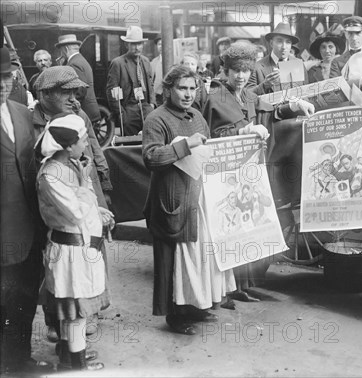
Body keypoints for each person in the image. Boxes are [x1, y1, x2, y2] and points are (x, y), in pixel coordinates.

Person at [203, 42, 312, 305]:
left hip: (249, 173)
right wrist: (242, 132)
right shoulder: (216, 97)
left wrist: (295, 106)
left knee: (246, 228)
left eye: (245, 71)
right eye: (235, 71)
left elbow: (270, 111)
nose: (240, 76)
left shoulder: (249, 96)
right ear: (225, 71)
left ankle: (240, 286)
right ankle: (222, 291)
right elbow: (210, 135)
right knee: (225, 230)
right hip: (223, 175)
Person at [143, 65, 233, 335]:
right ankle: (176, 316)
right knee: (176, 261)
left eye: (193, 88)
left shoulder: (196, 116)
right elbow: (151, 157)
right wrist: (186, 145)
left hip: (198, 197)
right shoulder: (156, 119)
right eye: (182, 88)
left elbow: (209, 151)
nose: (188, 94)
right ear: (168, 89)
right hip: (172, 198)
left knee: (198, 258)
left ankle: (196, 306)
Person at [32, 65, 113, 361]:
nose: (73, 98)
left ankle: (75, 346)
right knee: (63, 290)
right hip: (57, 216)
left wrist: (101, 192)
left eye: (75, 92)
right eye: (65, 92)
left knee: (82, 289)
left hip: (83, 210)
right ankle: (68, 349)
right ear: (45, 94)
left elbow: (93, 151)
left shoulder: (78, 118)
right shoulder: (33, 122)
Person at [0, 46, 53, 375]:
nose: (0, 85)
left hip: (30, 228)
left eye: (5, 77)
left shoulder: (22, 112)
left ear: (15, 76)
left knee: (23, 299)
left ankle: (19, 361)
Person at [106, 25, 155, 136]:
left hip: (146, 108)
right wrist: (121, 113)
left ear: (143, 44)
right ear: (126, 44)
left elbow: (150, 84)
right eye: (133, 44)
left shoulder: (146, 61)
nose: (137, 47)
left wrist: (152, 104)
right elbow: (111, 90)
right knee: (130, 145)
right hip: (128, 110)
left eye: (139, 44)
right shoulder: (118, 63)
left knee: (151, 140)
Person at [330, 16, 362, 104]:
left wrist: (348, 83)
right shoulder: (337, 62)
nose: (354, 38)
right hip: (347, 109)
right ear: (346, 34)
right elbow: (335, 91)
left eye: (358, 33)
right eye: (350, 33)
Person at [246, 23, 307, 95]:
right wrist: (264, 85)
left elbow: (305, 92)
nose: (284, 47)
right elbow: (247, 95)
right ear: (271, 43)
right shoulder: (257, 67)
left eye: (288, 42)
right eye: (279, 41)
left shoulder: (298, 64)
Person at [56, 34, 101, 124]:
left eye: (61, 50)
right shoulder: (80, 60)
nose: (61, 53)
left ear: (66, 49)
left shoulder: (73, 64)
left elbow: (80, 90)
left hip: (83, 112)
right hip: (88, 110)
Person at [150, 36, 163, 105]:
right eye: (159, 44)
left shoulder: (176, 60)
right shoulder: (153, 62)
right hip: (157, 99)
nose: (161, 46)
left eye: (164, 44)